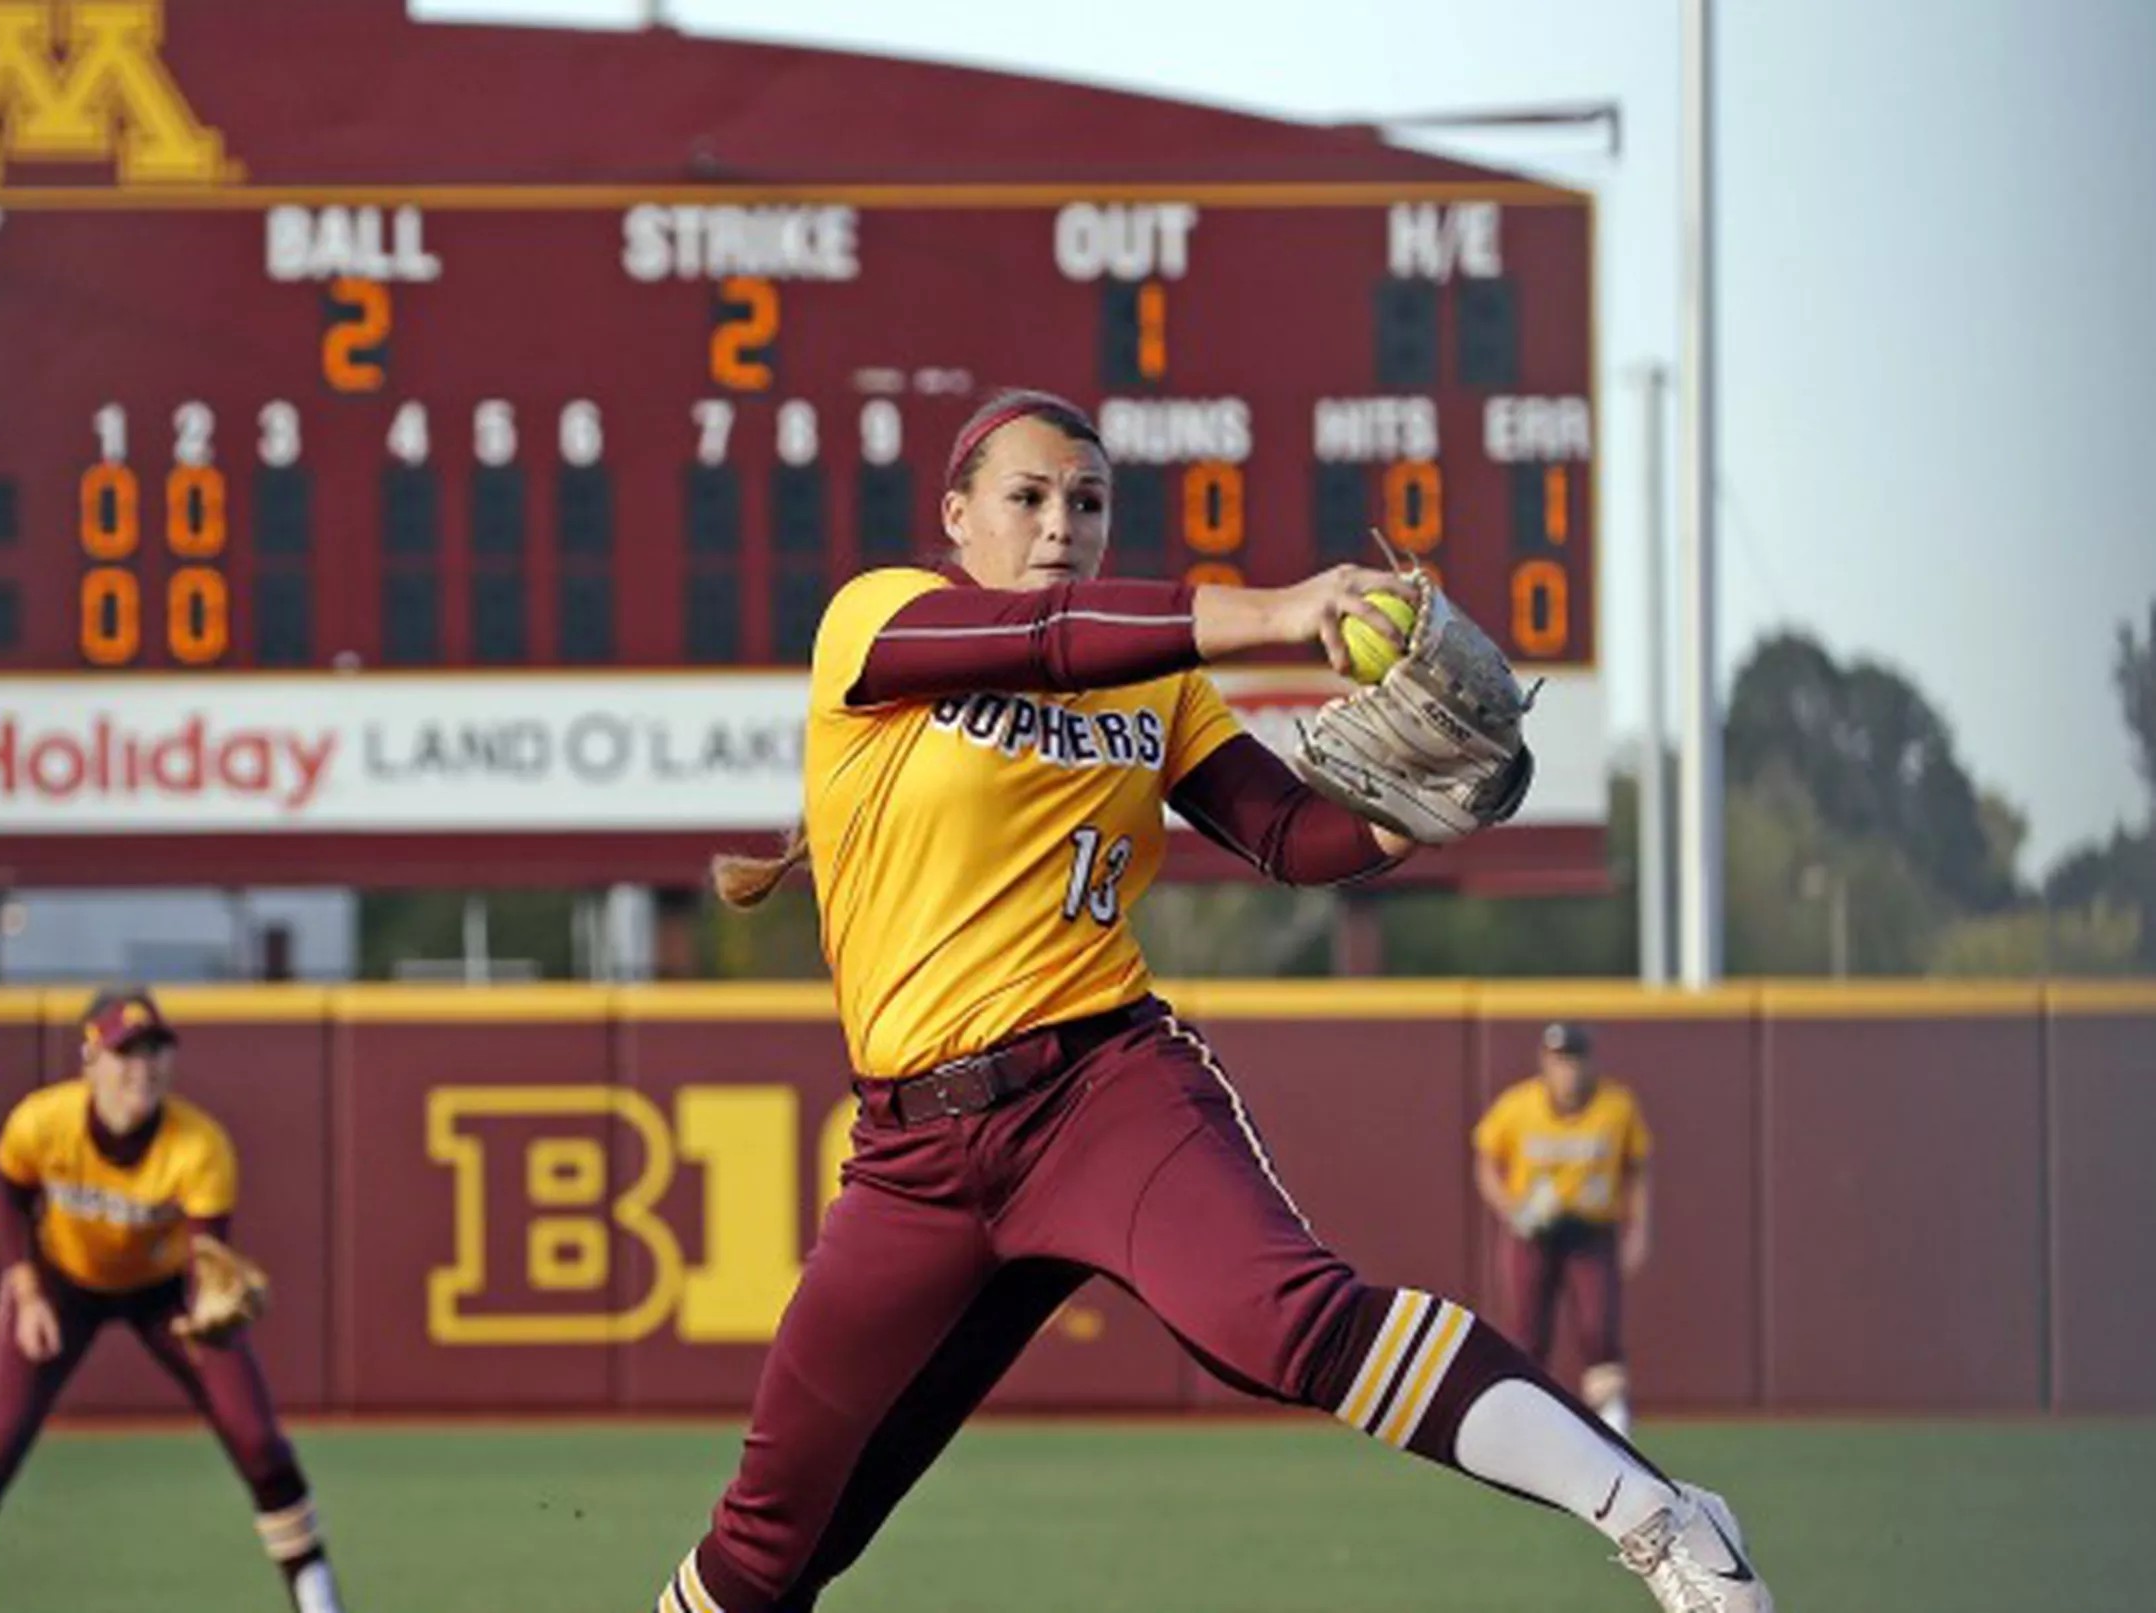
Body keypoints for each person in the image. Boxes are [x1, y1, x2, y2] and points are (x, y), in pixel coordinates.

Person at [648, 390, 1772, 1613]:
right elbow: (1048, 639)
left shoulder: (1154, 687)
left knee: (1288, 1320)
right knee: (770, 1542)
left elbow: (1287, 834)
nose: (1057, 523)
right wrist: (1283, 610)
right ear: (955, 514)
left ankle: (1659, 1513)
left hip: (1098, 1093)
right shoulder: (874, 621)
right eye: (1025, 497)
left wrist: (1411, 816)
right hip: (911, 1153)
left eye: (1086, 501)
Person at [0, 988, 345, 1613]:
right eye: (125, 1054)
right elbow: (11, 1194)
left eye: (156, 1052)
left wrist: (209, 1307)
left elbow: (208, 1256)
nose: (143, 1069)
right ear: (89, 1061)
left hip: (166, 1292)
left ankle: (320, 1600)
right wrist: (25, 1288)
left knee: (255, 1436)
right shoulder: (42, 1121)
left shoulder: (199, 1145)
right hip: (63, 1282)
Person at [1474, 1021, 1655, 1436]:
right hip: (1534, 1232)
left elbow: (1637, 1167)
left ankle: (1612, 1419)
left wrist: (1640, 1228)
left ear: (1590, 1062)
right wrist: (1511, 1208)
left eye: (1574, 1060)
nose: (1568, 1071)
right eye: (1559, 1061)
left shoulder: (1616, 1106)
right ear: (1544, 1062)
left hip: (1590, 1229)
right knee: (1527, 1330)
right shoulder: (1518, 1105)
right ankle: (1526, 1422)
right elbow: (1485, 1159)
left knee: (1598, 1326)